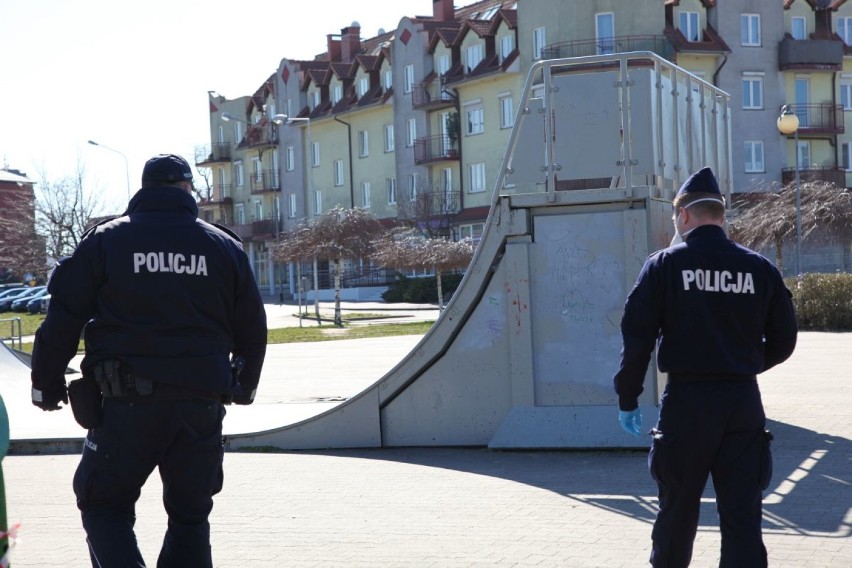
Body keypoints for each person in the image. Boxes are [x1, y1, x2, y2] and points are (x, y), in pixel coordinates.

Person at [30, 153, 268, 567]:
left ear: (143, 189)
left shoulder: (107, 240)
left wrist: (46, 384)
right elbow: (252, 325)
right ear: (187, 190)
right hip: (200, 405)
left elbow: (64, 316)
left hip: (125, 407)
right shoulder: (223, 245)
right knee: (191, 515)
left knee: (104, 505)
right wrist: (244, 385)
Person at [612, 166, 798, 567]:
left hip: (686, 404)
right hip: (741, 403)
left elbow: (637, 338)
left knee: (677, 513)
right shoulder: (759, 268)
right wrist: (740, 364)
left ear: (683, 216)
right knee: (742, 516)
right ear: (721, 215)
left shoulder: (663, 266)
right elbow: (785, 340)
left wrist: (628, 397)